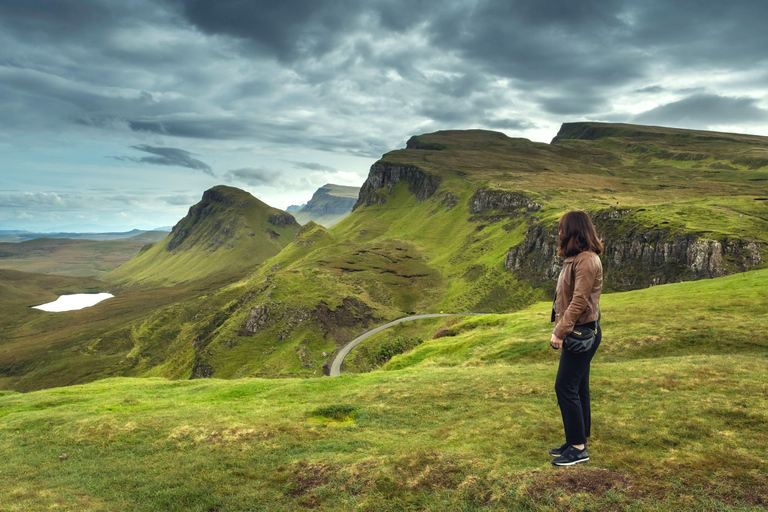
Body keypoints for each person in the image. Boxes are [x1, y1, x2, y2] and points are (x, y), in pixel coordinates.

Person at [548, 210, 604, 466]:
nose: (559, 233)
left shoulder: (586, 261)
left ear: (573, 230)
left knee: (565, 387)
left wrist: (560, 331)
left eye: (562, 228)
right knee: (578, 387)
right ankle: (576, 439)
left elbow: (579, 300)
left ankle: (578, 449)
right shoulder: (577, 258)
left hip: (580, 332)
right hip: (581, 330)